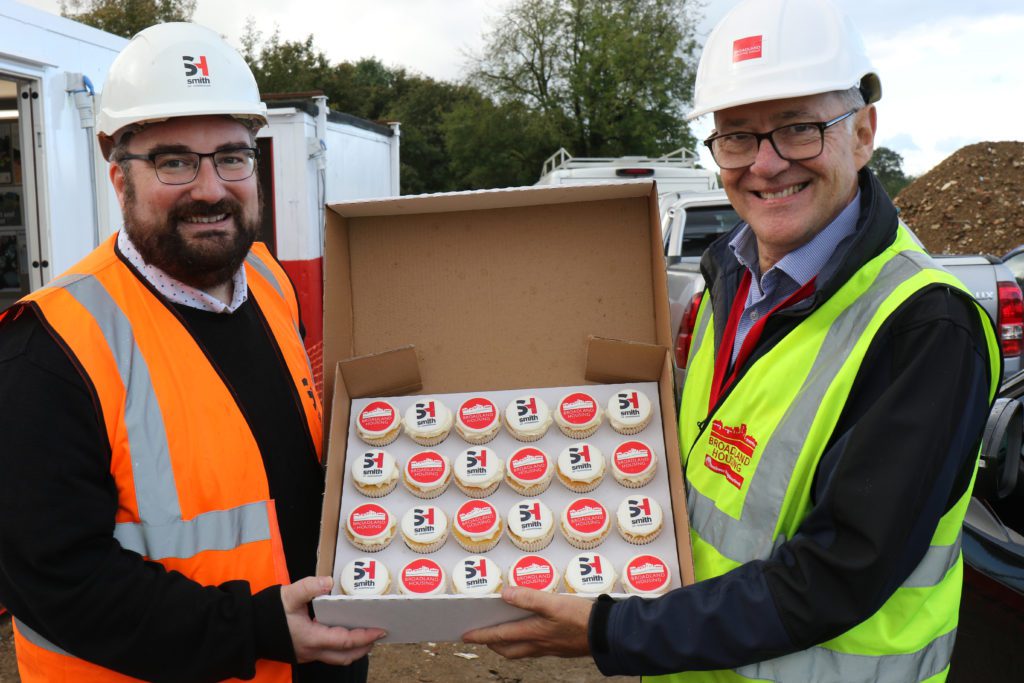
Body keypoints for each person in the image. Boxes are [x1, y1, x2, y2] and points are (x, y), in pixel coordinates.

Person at [463, 0, 1000, 681]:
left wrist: (615, 627)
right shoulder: (731, 274)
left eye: (799, 129)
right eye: (738, 136)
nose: (765, 165)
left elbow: (837, 575)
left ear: (863, 133)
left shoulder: (926, 328)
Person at [0, 23, 384, 682]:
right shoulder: (47, 351)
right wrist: (260, 628)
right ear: (115, 169)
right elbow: (59, 582)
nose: (210, 189)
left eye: (232, 156)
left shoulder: (269, 283)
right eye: (175, 161)